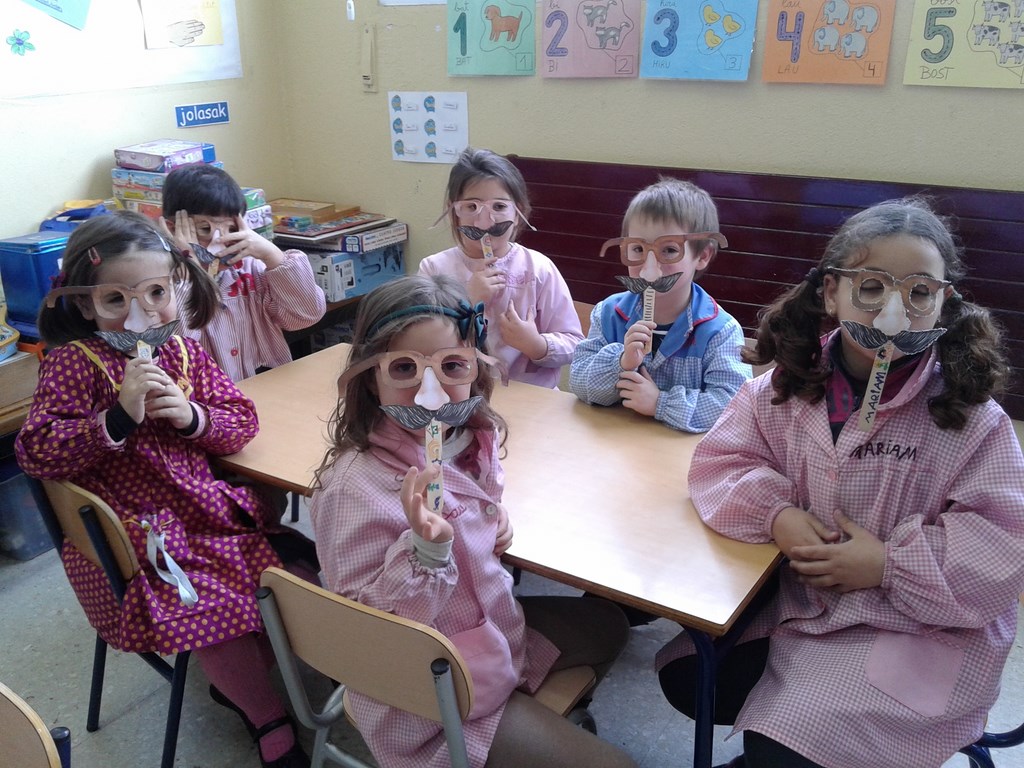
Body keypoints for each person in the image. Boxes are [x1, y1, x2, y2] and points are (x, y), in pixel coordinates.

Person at [657, 197, 1024, 768]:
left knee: (787, 744)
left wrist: (887, 563)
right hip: (808, 602)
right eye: (871, 288)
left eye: (919, 293)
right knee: (690, 677)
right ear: (831, 292)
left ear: (944, 303)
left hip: (919, 626)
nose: (894, 314)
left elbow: (1001, 546)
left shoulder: (975, 421)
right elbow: (720, 463)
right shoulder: (780, 390)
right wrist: (776, 513)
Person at [15, 211, 310, 768]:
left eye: (156, 293)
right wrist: (115, 418)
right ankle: (266, 714)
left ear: (176, 286)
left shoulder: (185, 352)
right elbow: (36, 452)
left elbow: (241, 420)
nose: (142, 315)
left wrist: (193, 417)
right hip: (142, 539)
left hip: (209, 513)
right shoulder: (74, 364)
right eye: (116, 300)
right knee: (214, 611)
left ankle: (241, 679)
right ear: (85, 306)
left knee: (302, 581)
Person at [309, 274, 635, 768]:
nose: (431, 394)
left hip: (493, 634)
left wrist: (494, 520)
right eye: (404, 368)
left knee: (608, 624)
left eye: (452, 366)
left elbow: (476, 511)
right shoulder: (354, 489)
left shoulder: (468, 439)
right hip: (432, 701)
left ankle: (534, 728)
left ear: (476, 369)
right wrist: (423, 554)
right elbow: (369, 640)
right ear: (370, 378)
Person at [568, 177, 750, 432]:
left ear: (702, 256)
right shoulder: (608, 313)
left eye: (669, 250)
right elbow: (578, 381)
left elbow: (734, 408)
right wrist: (621, 362)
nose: (649, 267)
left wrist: (660, 403)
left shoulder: (721, 331)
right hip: (614, 444)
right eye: (637, 249)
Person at [418, 147, 583, 389]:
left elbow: (575, 344)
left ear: (518, 213)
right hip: (460, 394)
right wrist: (468, 304)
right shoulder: (434, 269)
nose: (486, 221)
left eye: (499, 207)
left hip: (532, 397)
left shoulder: (538, 269)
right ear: (454, 212)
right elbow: (421, 346)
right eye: (471, 207)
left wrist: (536, 345)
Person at [159, 163, 326, 381]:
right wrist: (192, 270)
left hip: (267, 388)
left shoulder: (250, 269)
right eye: (205, 229)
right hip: (208, 398)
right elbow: (175, 350)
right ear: (173, 230)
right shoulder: (162, 284)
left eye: (232, 229)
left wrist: (273, 255)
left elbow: (305, 316)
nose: (221, 243)